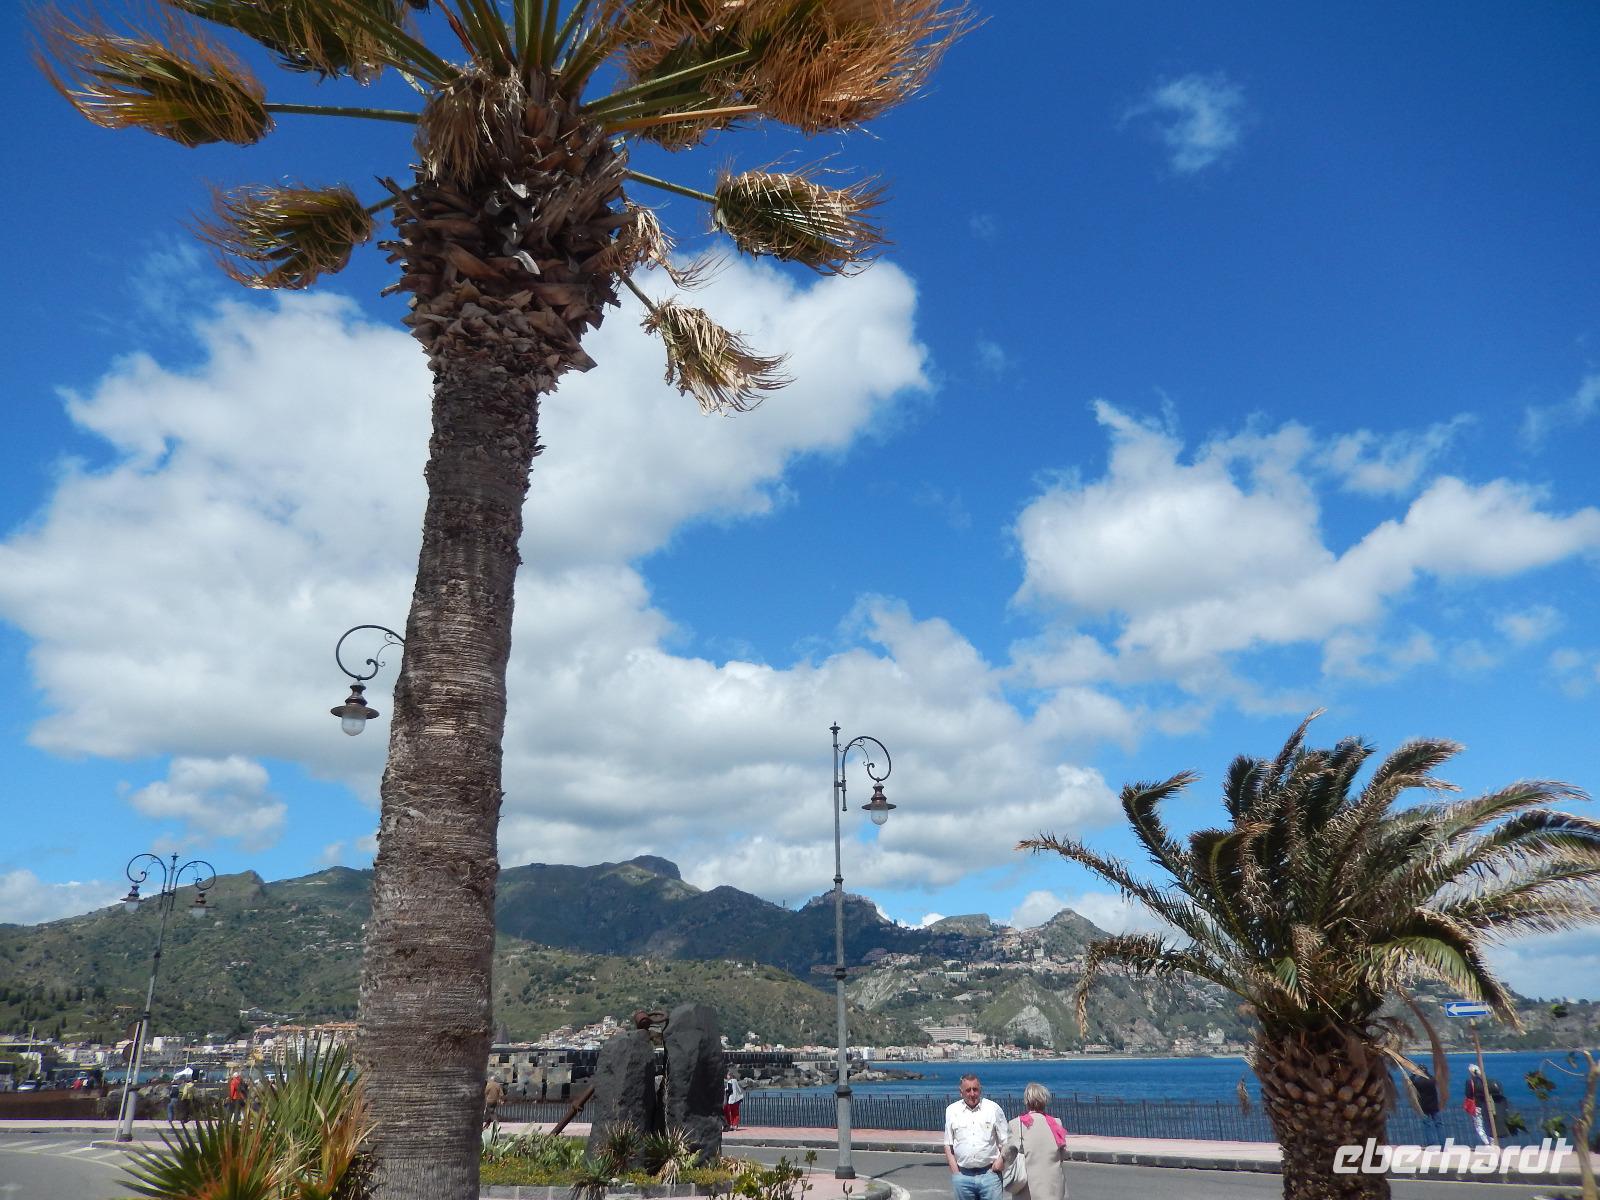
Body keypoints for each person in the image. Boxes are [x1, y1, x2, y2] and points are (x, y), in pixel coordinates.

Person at [944, 1073, 1007, 1200]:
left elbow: (1006, 1140)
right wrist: (956, 1173)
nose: (972, 1094)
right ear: (961, 1092)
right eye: (968, 1090)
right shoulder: (952, 1111)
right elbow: (948, 1143)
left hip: (990, 1176)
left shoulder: (993, 1109)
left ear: (980, 1090)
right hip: (963, 1177)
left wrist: (1000, 1162)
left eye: (975, 1089)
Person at [1002, 1083, 1068, 1200]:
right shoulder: (1056, 1123)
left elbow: (1008, 1154)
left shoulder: (1017, 1124)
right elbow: (1062, 1154)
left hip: (1029, 1189)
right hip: (1054, 1187)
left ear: (1027, 1101)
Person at [1412, 1067, 1444, 1146]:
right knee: (1438, 1124)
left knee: (1427, 1125)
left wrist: (1413, 1075)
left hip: (1424, 1107)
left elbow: (1410, 1083)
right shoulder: (1433, 1080)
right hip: (1434, 1106)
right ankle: (1443, 1143)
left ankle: (1430, 1142)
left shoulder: (1418, 1082)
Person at [1464, 1064, 1492, 1145]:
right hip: (1486, 1105)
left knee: (1479, 1126)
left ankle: (1486, 1142)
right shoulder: (1485, 1081)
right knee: (1488, 1123)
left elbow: (1468, 1094)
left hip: (1476, 1106)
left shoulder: (1470, 1081)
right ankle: (1492, 1140)